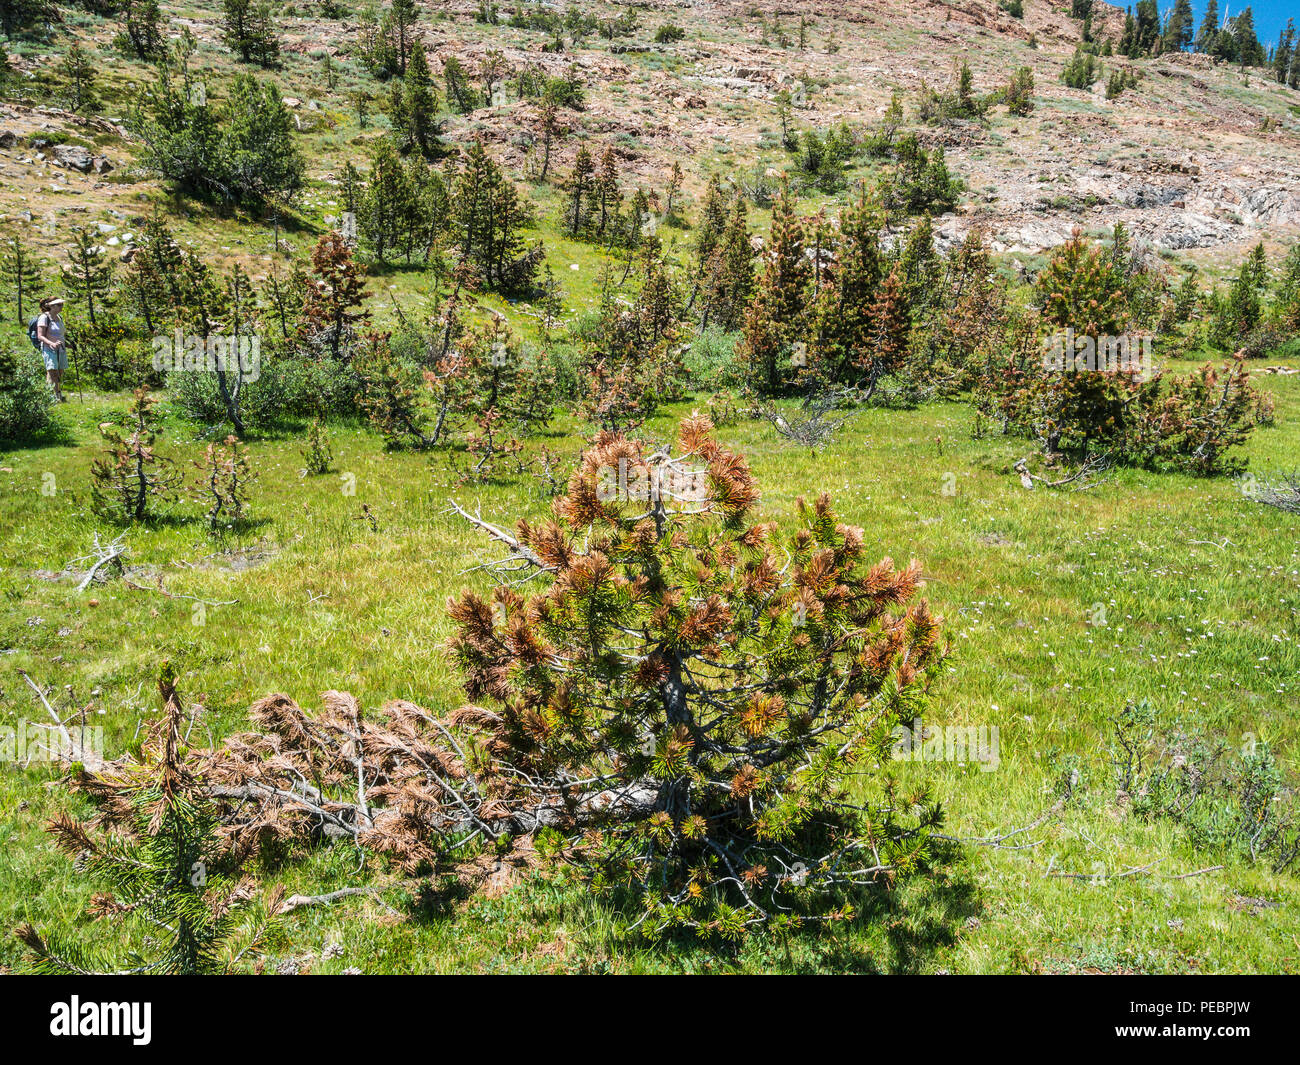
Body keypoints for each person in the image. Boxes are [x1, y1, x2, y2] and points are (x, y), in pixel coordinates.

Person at [36, 297, 67, 403]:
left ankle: (52, 393)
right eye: (58, 305)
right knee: (52, 371)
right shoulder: (44, 318)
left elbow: (61, 334)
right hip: (49, 349)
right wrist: (51, 344)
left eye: (61, 304)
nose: (61, 307)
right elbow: (40, 336)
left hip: (61, 348)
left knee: (59, 372)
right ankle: (55, 396)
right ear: (51, 306)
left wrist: (68, 344)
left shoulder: (59, 317)